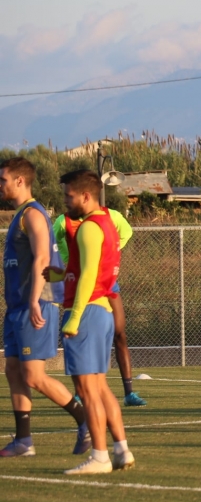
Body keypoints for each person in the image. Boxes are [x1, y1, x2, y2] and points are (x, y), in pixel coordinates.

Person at [0, 158, 90, 458]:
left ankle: (85, 420)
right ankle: (24, 441)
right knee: (13, 370)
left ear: (20, 182)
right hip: (17, 308)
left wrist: (35, 301)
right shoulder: (19, 216)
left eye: (4, 180)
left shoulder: (33, 215)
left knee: (34, 376)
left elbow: (42, 259)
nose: (1, 185)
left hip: (33, 305)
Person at [46, 170, 134, 474]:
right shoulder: (105, 224)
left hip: (87, 313)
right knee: (99, 387)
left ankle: (99, 456)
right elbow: (84, 268)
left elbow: (88, 277)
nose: (65, 201)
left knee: (88, 389)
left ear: (86, 196)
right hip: (101, 311)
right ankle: (121, 449)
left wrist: (74, 319)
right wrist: (58, 275)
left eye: (69, 195)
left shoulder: (88, 228)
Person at [54, 209, 146, 406]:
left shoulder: (109, 215)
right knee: (77, 333)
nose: (67, 200)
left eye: (70, 195)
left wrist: (111, 252)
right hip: (80, 282)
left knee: (119, 333)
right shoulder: (64, 221)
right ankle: (80, 391)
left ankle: (129, 392)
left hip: (106, 282)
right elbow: (55, 240)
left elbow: (126, 231)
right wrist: (68, 259)